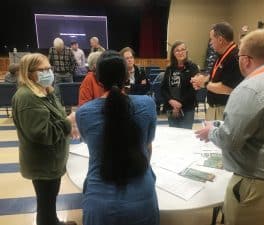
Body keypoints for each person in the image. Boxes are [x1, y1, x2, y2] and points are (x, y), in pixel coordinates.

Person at [195, 29, 264, 225]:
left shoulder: (249, 88)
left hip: (260, 181)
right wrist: (218, 125)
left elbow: (230, 140)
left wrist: (212, 131)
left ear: (246, 59)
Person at [76, 50, 159, 225]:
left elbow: (91, 144)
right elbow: (147, 146)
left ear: (98, 79)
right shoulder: (147, 104)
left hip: (99, 201)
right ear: (127, 75)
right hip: (142, 196)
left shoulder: (83, 113)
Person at [11, 53, 79, 225]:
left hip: (51, 160)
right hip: (42, 162)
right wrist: (67, 123)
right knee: (46, 201)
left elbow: (56, 118)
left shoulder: (44, 90)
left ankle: (53, 221)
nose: (48, 72)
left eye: (49, 68)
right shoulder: (27, 96)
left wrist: (68, 126)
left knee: (48, 200)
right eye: (42, 69)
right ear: (29, 72)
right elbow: (41, 133)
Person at [191, 22, 243, 121]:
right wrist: (200, 81)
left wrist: (205, 84)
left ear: (220, 40)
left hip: (225, 109)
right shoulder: (221, 55)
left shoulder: (234, 57)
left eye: (212, 39)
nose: (210, 43)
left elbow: (228, 88)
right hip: (215, 108)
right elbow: (214, 78)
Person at [160, 41, 199, 129]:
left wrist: (179, 103)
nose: (180, 52)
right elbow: (163, 88)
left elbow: (194, 89)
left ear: (186, 51)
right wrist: (171, 101)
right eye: (177, 50)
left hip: (187, 108)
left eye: (183, 50)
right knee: (174, 135)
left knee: (185, 135)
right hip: (171, 108)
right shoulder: (169, 69)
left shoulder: (193, 67)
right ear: (173, 54)